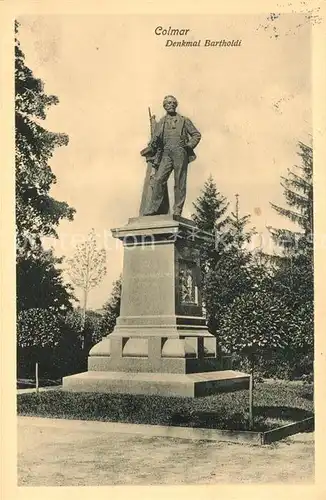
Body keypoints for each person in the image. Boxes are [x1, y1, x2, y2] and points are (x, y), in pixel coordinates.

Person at [140, 95, 201, 216]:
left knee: (180, 181)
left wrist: (188, 146)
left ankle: (177, 210)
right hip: (166, 153)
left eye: (173, 103)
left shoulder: (184, 120)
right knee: (158, 180)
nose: (171, 105)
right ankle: (154, 208)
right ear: (164, 106)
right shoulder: (161, 122)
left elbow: (196, 135)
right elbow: (155, 141)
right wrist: (152, 142)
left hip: (180, 151)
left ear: (176, 105)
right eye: (168, 103)